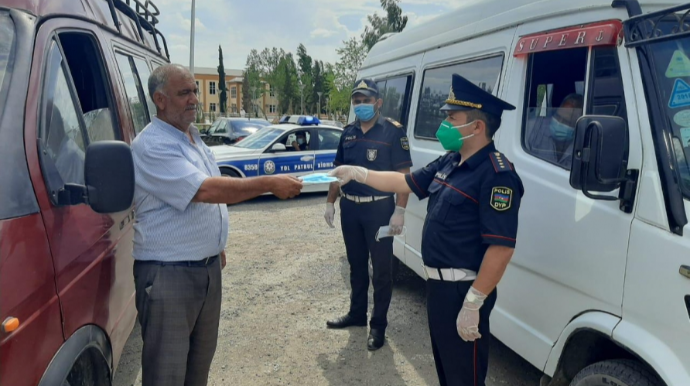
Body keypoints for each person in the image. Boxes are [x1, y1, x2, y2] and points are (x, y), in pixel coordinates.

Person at [329, 73, 524, 385]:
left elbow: (501, 248)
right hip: (438, 289)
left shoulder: (496, 175)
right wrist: (360, 173)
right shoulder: (450, 161)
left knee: (465, 377)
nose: (444, 122)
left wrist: (474, 303)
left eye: (452, 117)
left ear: (477, 126)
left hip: (464, 291)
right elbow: (404, 181)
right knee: (448, 372)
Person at [131, 64, 302, 386]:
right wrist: (267, 183)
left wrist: (215, 244)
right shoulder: (153, 145)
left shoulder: (191, 138)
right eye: (185, 93)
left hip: (204, 268)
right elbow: (205, 190)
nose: (194, 99)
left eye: (196, 90)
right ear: (160, 99)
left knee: (198, 368)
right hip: (168, 274)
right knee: (166, 374)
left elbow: (212, 187)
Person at [324, 78, 413, 351]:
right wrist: (330, 202)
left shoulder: (393, 132)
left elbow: (404, 176)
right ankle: (357, 315)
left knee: (382, 271)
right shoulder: (348, 132)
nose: (361, 105)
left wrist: (400, 210)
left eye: (366, 100)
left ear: (378, 102)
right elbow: (337, 171)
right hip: (350, 207)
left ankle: (378, 326)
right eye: (357, 101)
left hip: (379, 209)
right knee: (356, 265)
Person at [524, 93, 583, 168]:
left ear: (578, 126)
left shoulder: (582, 146)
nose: (558, 122)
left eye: (566, 121)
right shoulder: (533, 128)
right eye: (557, 116)